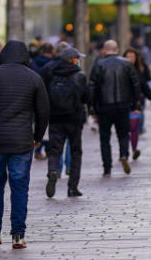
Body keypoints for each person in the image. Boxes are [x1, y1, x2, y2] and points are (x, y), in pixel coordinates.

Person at [0, 40, 49, 250]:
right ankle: (18, 235)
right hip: (22, 141)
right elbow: (43, 112)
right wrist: (38, 136)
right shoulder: (34, 77)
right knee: (20, 186)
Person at [42, 44, 89, 198]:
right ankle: (72, 187)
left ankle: (53, 171)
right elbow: (86, 97)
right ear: (72, 60)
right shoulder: (79, 76)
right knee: (75, 152)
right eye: (77, 58)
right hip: (74, 119)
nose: (79, 61)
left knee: (55, 150)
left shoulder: (51, 73)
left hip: (55, 118)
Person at [89, 40, 141, 175]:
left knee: (104, 137)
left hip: (104, 106)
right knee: (123, 133)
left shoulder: (99, 65)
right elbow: (135, 84)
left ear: (104, 51)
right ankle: (124, 154)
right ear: (117, 50)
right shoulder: (127, 64)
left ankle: (107, 166)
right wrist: (135, 103)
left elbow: (92, 87)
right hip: (123, 105)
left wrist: (91, 107)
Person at [123, 47, 151, 160]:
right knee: (124, 129)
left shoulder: (139, 72)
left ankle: (134, 149)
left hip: (135, 104)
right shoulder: (120, 71)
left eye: (132, 57)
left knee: (134, 128)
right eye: (127, 56)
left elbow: (145, 88)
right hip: (121, 105)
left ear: (136, 58)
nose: (130, 59)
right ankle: (123, 152)